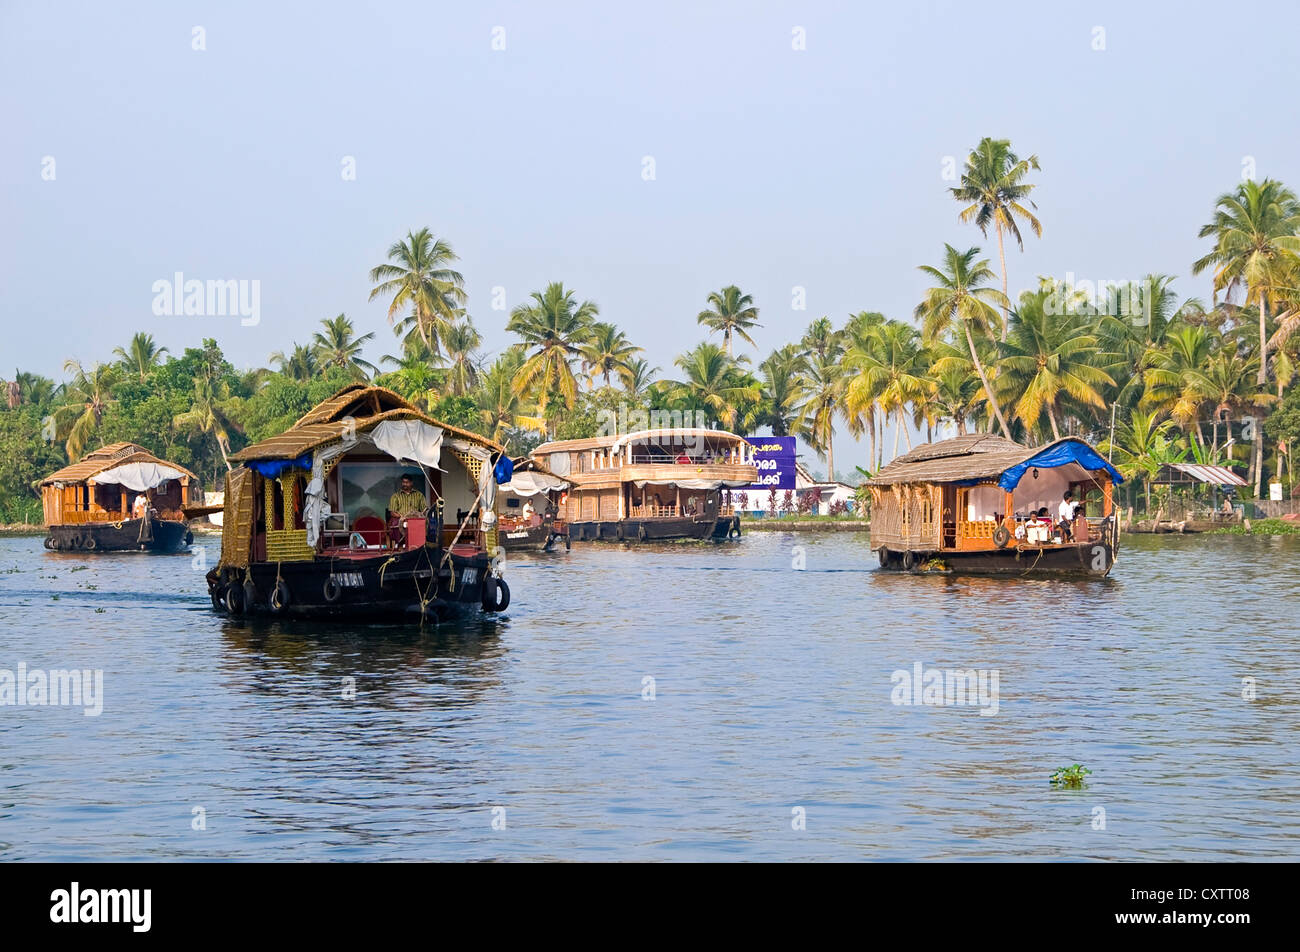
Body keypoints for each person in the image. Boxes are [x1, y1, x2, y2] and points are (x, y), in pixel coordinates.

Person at [387, 473, 427, 546]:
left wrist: (417, 517)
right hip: (401, 520)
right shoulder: (395, 496)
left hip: (415, 521)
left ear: (411, 483)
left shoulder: (419, 495)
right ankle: (400, 545)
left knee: (424, 523)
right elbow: (392, 512)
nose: (405, 484)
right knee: (396, 524)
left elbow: (424, 511)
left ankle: (418, 545)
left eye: (407, 482)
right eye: (403, 482)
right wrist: (403, 517)